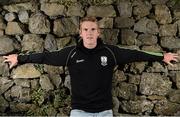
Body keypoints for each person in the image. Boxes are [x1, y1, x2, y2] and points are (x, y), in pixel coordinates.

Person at [3, 17, 179, 117]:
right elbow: (45, 57)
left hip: (104, 112)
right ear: (80, 33)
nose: (89, 33)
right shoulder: (70, 53)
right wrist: (20, 58)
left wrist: (162, 56)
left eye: (92, 29)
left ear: (98, 32)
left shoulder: (110, 52)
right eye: (85, 30)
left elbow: (135, 54)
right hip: (79, 112)